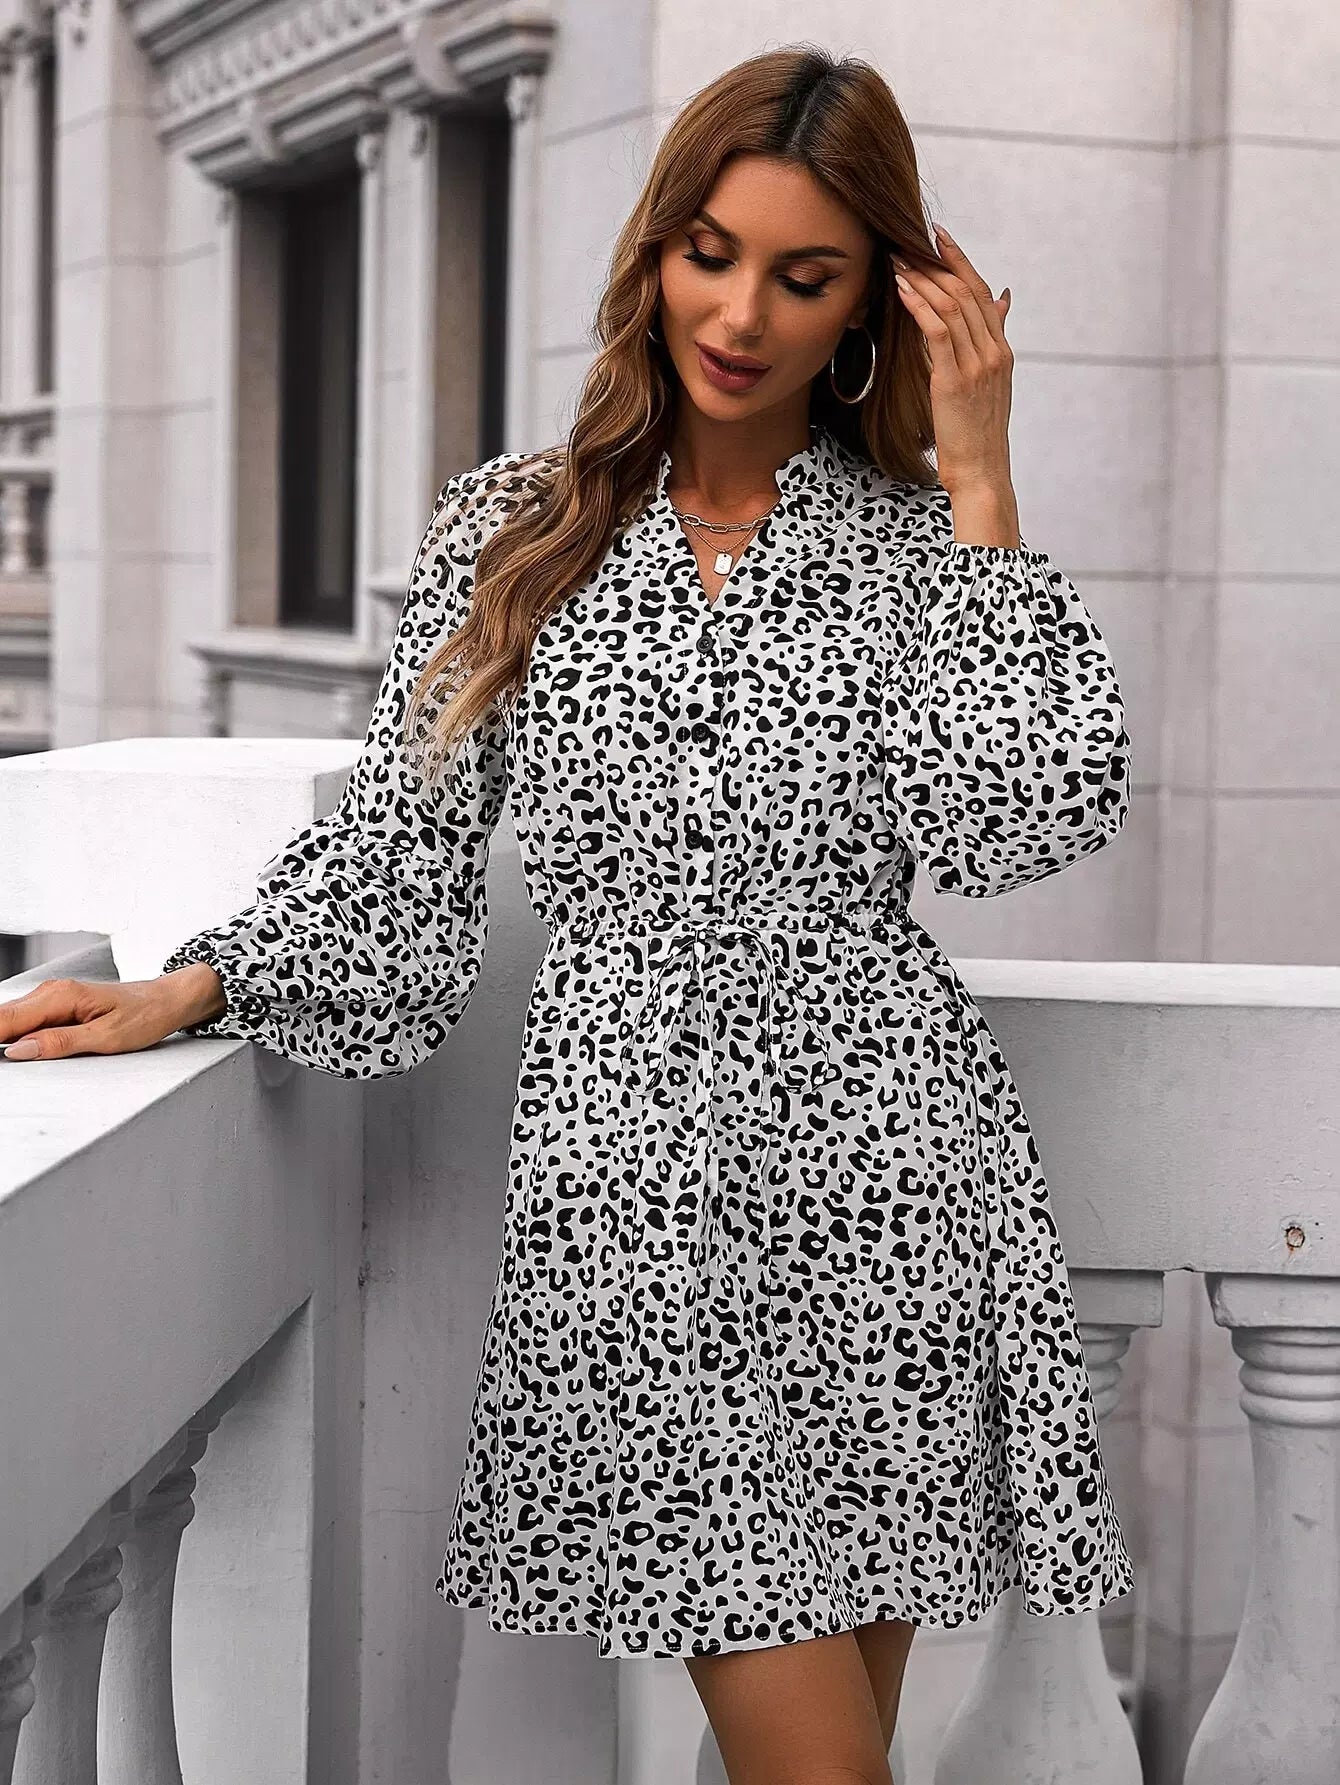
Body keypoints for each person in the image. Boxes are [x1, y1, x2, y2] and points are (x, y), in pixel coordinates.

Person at [0, 44, 1135, 1785]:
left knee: (826, 1751)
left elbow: (1020, 816)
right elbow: (401, 851)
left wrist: (983, 482)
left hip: (898, 1190)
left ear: (871, 304)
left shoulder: (922, 551)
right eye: (710, 252)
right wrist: (199, 983)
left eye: (804, 275)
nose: (740, 313)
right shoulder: (513, 531)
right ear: (654, 248)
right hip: (638, 1196)